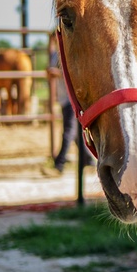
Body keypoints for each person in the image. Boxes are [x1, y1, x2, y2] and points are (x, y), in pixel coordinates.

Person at [42, 32, 91, 177]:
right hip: (64, 98)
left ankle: (59, 165)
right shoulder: (55, 55)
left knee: (68, 132)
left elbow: (72, 73)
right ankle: (88, 160)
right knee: (75, 133)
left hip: (70, 98)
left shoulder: (67, 53)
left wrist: (56, 73)